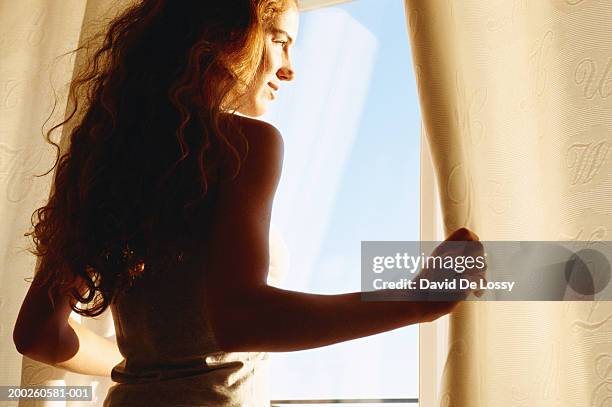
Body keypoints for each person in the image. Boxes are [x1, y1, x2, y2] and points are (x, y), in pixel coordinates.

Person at [12, 0, 485, 405]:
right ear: (225, 35)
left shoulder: (105, 159)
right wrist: (417, 300)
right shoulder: (244, 144)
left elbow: (38, 335)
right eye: (279, 39)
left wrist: (149, 365)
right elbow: (242, 318)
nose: (290, 67)